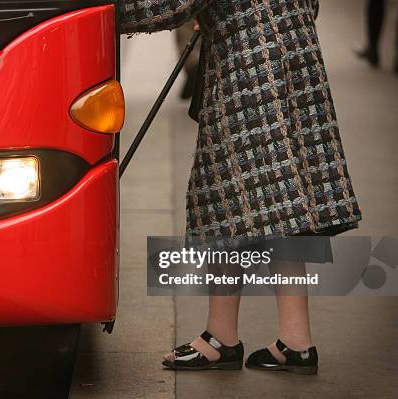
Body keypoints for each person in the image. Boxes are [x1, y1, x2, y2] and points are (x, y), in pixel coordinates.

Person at [119, 0, 362, 374]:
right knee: (284, 207)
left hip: (249, 72)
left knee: (224, 202)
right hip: (294, 59)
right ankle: (295, 342)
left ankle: (222, 338)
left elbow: (168, 5)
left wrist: (99, 12)